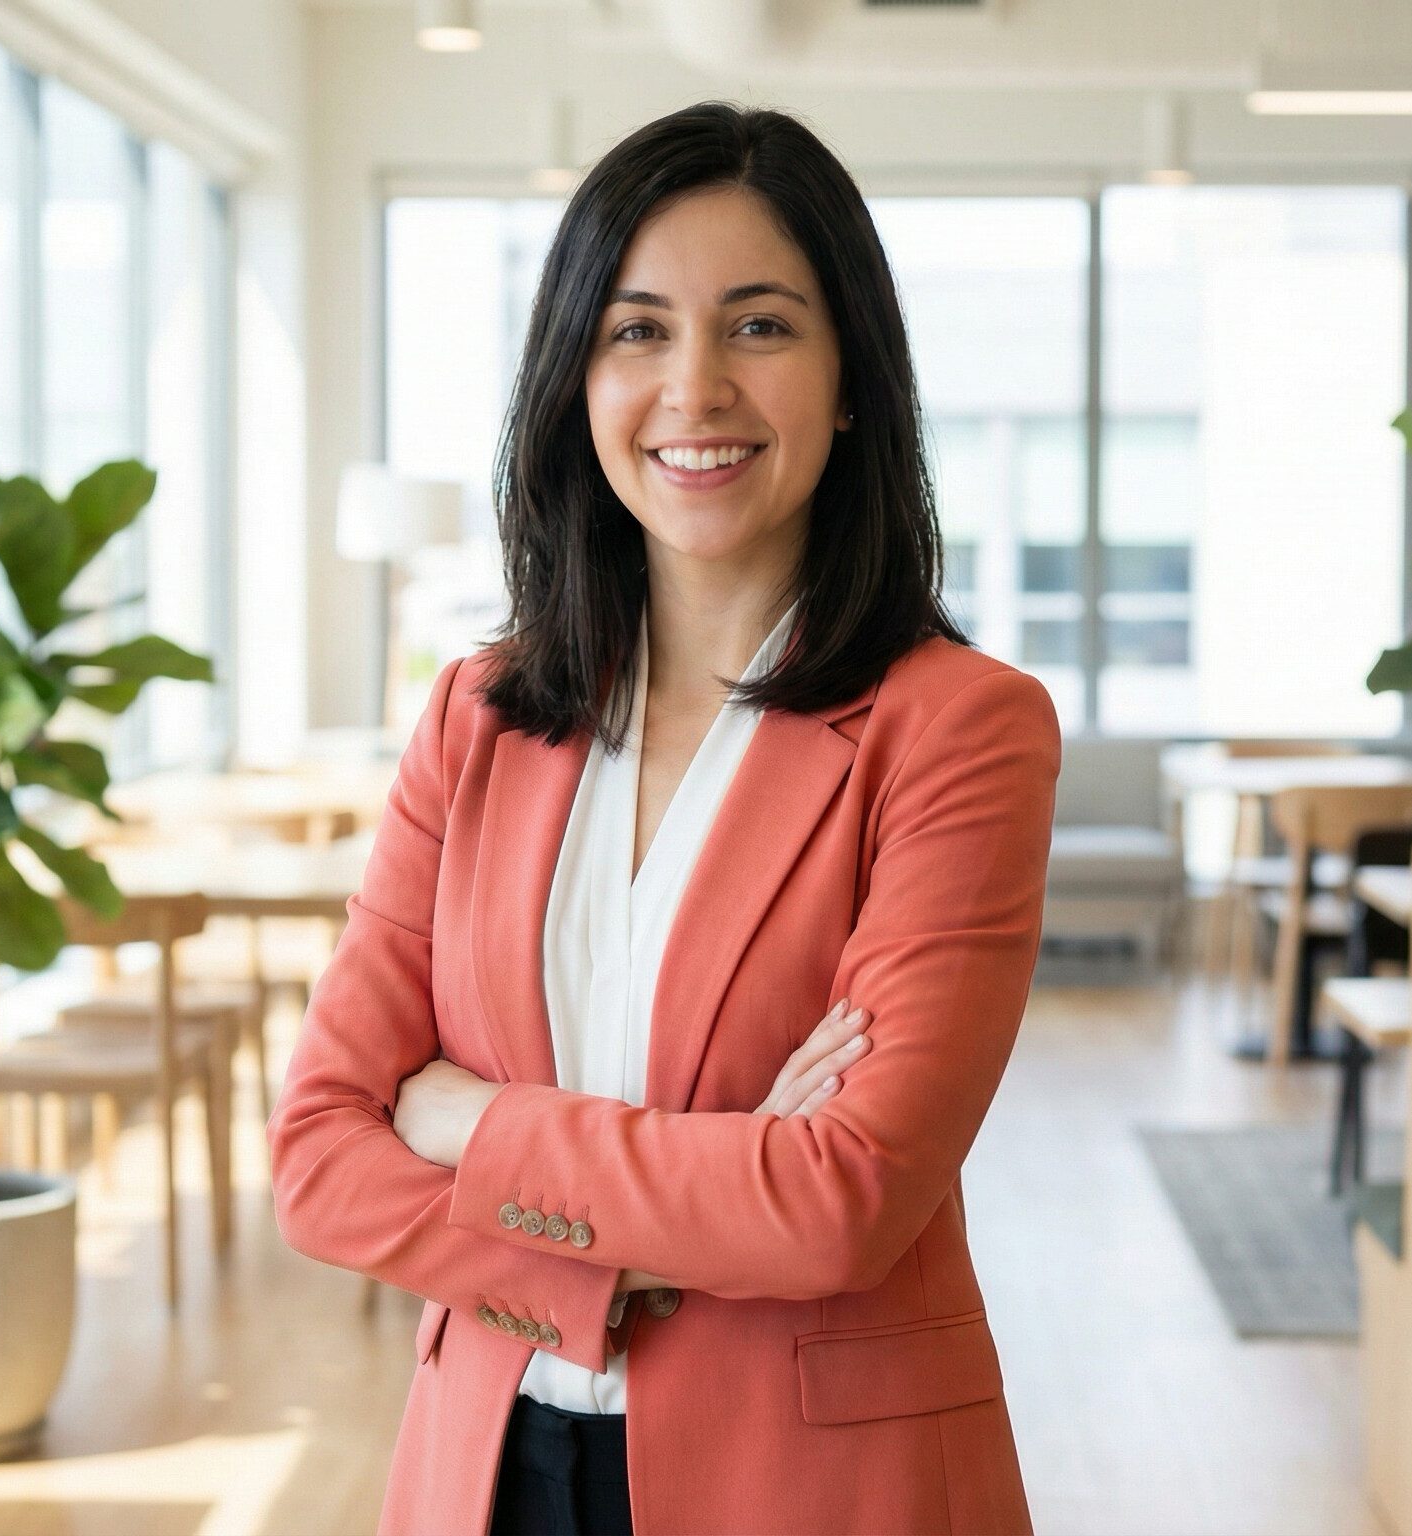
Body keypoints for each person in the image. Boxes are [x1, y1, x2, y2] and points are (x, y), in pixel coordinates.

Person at [269, 100, 1056, 1536]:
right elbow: (319, 1159)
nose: (694, 388)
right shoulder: (479, 718)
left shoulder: (958, 729)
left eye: (759, 326)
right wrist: (617, 1251)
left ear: (852, 377)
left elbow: (840, 1199)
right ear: (577, 377)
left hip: (818, 1486)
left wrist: (469, 1119)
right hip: (490, 1460)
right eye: (637, 331)